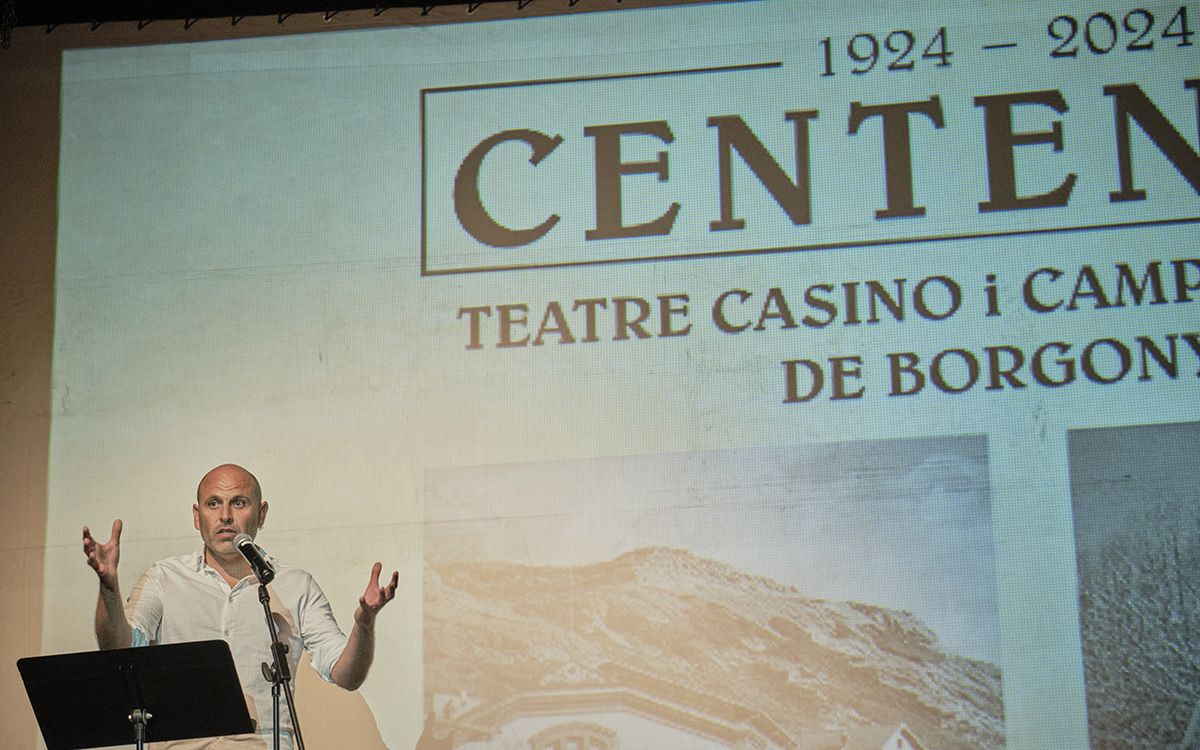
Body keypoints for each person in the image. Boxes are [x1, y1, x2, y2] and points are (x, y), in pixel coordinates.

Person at [82, 463, 398, 749]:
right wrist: (109, 587)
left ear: (261, 514)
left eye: (239, 503)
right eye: (213, 503)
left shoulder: (294, 584)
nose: (225, 516)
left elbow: (346, 674)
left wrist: (365, 625)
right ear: (196, 515)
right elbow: (119, 649)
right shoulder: (163, 578)